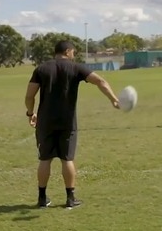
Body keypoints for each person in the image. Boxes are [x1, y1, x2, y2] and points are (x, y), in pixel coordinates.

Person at [24, 40, 120, 209]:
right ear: (67, 51)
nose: (74, 55)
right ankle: (70, 198)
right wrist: (113, 99)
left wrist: (31, 113)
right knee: (67, 159)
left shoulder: (41, 69)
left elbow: (29, 96)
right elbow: (101, 82)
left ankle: (41, 198)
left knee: (45, 159)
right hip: (67, 122)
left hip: (45, 122)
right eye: (73, 52)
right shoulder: (76, 68)